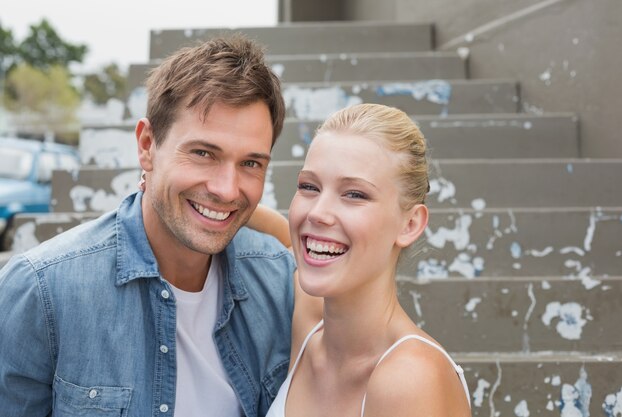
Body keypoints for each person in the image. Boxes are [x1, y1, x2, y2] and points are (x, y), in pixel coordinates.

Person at [0, 35, 315, 417]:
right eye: (203, 153)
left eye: (251, 163)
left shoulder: (279, 280)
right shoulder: (42, 290)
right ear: (147, 145)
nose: (227, 189)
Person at [265, 103, 472, 417]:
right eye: (309, 187)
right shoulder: (309, 325)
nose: (317, 213)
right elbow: (285, 232)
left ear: (410, 224)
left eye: (354, 194)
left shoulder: (409, 379)